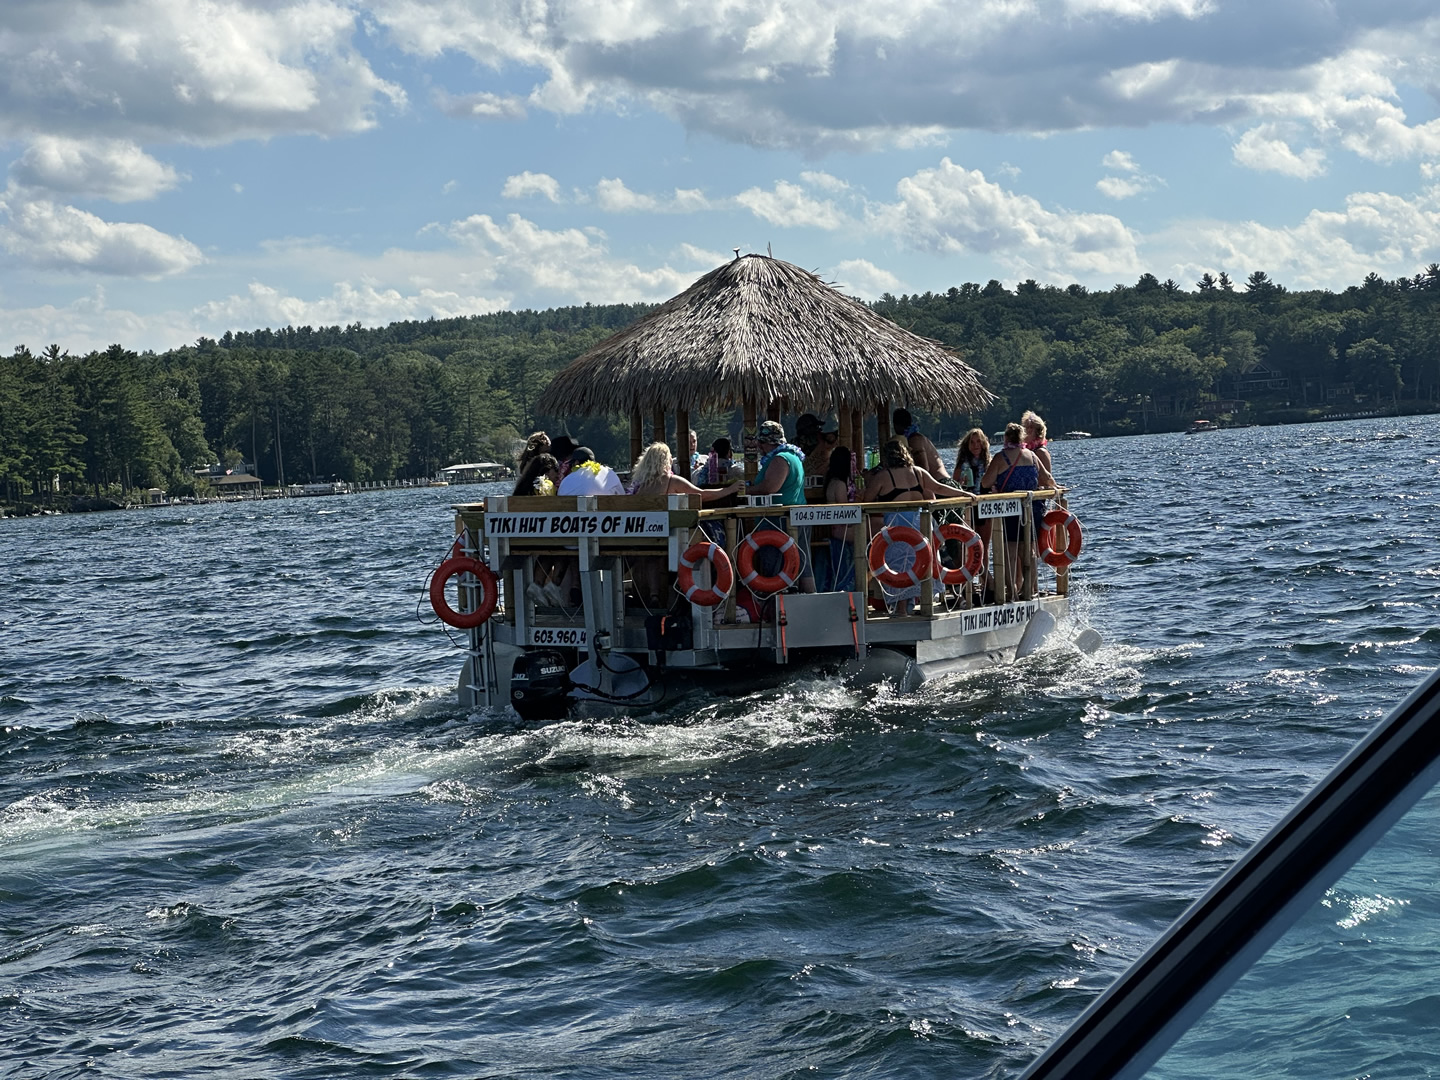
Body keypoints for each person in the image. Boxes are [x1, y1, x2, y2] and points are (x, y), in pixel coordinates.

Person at [860, 438, 967, 613]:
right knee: (923, 564)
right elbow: (940, 488)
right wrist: (965, 493)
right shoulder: (918, 472)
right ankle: (926, 609)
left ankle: (902, 610)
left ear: (886, 458)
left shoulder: (883, 477)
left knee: (900, 568)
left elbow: (866, 502)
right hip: (921, 524)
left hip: (898, 526)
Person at [628, 442, 743, 605]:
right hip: (669, 536)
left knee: (652, 556)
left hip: (646, 537)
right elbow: (701, 495)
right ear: (666, 460)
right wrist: (729, 490)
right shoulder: (671, 481)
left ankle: (654, 595)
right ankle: (686, 593)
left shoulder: (642, 486)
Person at [980, 422, 1054, 598]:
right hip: (1033, 508)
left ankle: (1012, 591)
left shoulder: (1001, 457)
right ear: (1022, 438)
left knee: (1010, 552)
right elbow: (1047, 478)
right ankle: (1027, 590)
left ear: (1006, 438)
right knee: (1028, 551)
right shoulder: (1031, 455)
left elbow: (985, 483)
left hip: (1010, 509)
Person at [749, 419, 814, 592]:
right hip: (797, 517)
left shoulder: (780, 459)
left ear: (766, 443)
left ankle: (777, 610)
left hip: (779, 521)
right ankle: (809, 603)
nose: (759, 447)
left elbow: (769, 487)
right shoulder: (793, 456)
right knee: (802, 564)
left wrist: (745, 490)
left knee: (774, 567)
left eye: (761, 443)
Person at [823, 447, 857, 592]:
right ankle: (854, 582)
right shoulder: (840, 485)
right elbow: (845, 512)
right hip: (841, 529)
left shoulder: (830, 481)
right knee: (872, 533)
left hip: (834, 527)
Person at [893, 407, 951, 481]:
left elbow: (924, 469)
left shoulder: (914, 440)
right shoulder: (914, 437)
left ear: (896, 425)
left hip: (941, 483)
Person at [557, 447, 625, 495]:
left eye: (571, 464)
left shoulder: (566, 480)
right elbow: (622, 496)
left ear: (576, 463)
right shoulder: (609, 473)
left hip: (576, 515)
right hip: (608, 514)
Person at [954, 427, 991, 494]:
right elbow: (954, 485)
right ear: (967, 445)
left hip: (984, 498)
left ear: (983, 443)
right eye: (972, 442)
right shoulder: (961, 464)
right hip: (967, 497)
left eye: (978, 441)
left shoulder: (989, 463)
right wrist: (960, 484)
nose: (975, 445)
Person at [1021, 411, 1053, 477]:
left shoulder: (1041, 452)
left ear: (1038, 432)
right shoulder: (1023, 450)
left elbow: (1047, 478)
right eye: (1025, 427)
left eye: (1030, 428)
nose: (1026, 431)